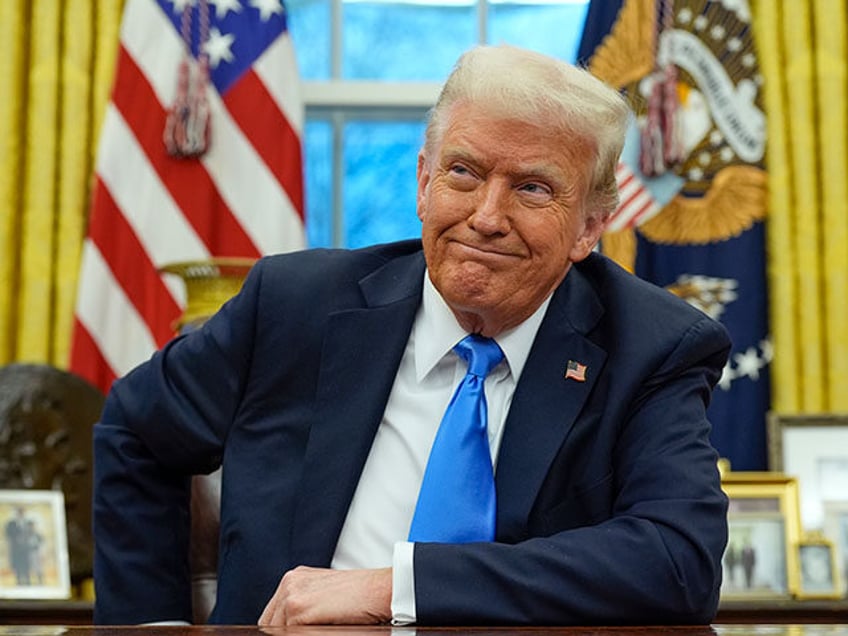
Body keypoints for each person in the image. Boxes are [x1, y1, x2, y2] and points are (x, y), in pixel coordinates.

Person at [92, 44, 731, 627]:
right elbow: (134, 431)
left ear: (590, 227)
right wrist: (152, 629)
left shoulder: (652, 347)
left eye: (531, 189)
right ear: (423, 182)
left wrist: (396, 587)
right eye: (463, 173)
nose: (487, 217)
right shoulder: (295, 307)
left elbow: (678, 561)